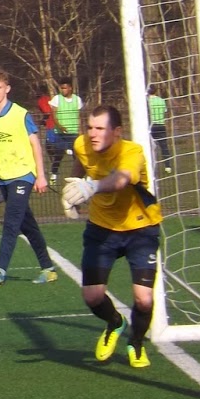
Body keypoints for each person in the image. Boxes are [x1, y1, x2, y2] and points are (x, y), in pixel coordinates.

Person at [60, 105, 163, 369]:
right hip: (101, 230)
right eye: (90, 128)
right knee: (92, 297)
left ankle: (136, 343)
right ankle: (115, 323)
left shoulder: (132, 152)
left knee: (144, 299)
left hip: (140, 229)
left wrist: (91, 186)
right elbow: (80, 162)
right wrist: (73, 189)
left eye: (100, 129)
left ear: (117, 132)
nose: (92, 134)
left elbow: (120, 180)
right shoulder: (82, 144)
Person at [0, 70, 57, 286]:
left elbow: (35, 144)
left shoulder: (20, 114)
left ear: (7, 89)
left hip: (23, 175)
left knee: (11, 221)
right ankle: (48, 268)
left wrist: (41, 175)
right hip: (3, 177)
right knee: (27, 224)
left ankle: (0, 270)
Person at [51, 82, 83, 181]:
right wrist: (60, 126)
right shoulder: (57, 99)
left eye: (65, 88)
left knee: (77, 155)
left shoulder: (77, 100)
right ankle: (53, 174)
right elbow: (53, 116)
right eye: (61, 88)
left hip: (73, 132)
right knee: (59, 155)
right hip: (60, 132)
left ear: (70, 88)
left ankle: (77, 177)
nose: (63, 90)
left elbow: (79, 116)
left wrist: (80, 130)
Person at [147, 90, 170, 174]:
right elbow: (165, 111)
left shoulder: (147, 102)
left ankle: (150, 166)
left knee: (150, 146)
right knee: (164, 147)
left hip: (151, 126)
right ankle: (168, 167)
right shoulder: (161, 100)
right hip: (161, 125)